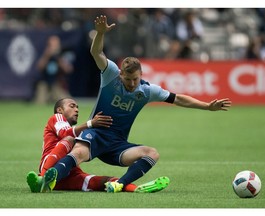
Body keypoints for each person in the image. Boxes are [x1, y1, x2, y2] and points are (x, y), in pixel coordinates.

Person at [41, 15, 232, 193]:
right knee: (79, 152)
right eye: (129, 79)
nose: (133, 84)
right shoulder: (110, 75)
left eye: (136, 79)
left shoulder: (147, 91)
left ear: (141, 75)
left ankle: (118, 185)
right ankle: (50, 178)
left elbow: (178, 98)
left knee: (152, 153)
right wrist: (100, 33)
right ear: (121, 75)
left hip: (117, 145)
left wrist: (207, 106)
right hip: (96, 134)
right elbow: (96, 52)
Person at [26, 98, 170, 193]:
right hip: (50, 165)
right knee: (69, 139)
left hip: (66, 174)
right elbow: (64, 133)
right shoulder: (56, 118)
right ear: (60, 110)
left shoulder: (77, 131)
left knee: (104, 182)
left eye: (77, 107)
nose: (76, 109)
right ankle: (42, 178)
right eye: (72, 106)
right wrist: (90, 124)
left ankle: (138, 189)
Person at [34, 35, 74, 104]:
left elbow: (68, 69)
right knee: (40, 102)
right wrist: (47, 55)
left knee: (67, 102)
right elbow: (39, 67)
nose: (54, 47)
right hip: (44, 83)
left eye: (56, 44)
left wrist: (59, 59)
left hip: (57, 84)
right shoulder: (44, 54)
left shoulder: (61, 54)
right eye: (52, 45)